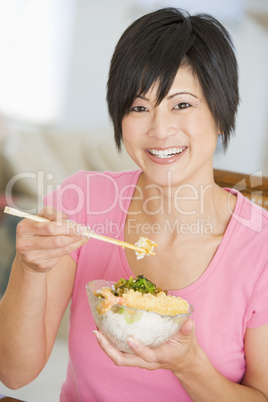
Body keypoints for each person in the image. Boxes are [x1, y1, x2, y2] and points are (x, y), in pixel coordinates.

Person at [0, 7, 268, 402]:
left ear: (221, 115)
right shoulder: (82, 203)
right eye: (139, 108)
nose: (159, 131)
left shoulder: (259, 246)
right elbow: (14, 374)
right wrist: (30, 267)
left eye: (181, 105)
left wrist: (190, 365)